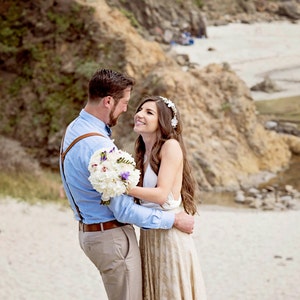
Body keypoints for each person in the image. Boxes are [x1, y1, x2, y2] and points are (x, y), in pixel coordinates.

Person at [59, 69, 194, 300]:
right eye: (126, 103)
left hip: (92, 234)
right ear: (108, 101)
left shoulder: (75, 129)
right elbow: (123, 209)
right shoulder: (100, 147)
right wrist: (173, 219)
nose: (128, 110)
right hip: (112, 238)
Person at [128, 95, 207, 299]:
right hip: (150, 235)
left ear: (162, 121)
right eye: (140, 110)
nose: (140, 115)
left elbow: (161, 194)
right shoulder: (143, 151)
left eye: (149, 112)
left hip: (169, 236)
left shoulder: (170, 146)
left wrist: (123, 188)